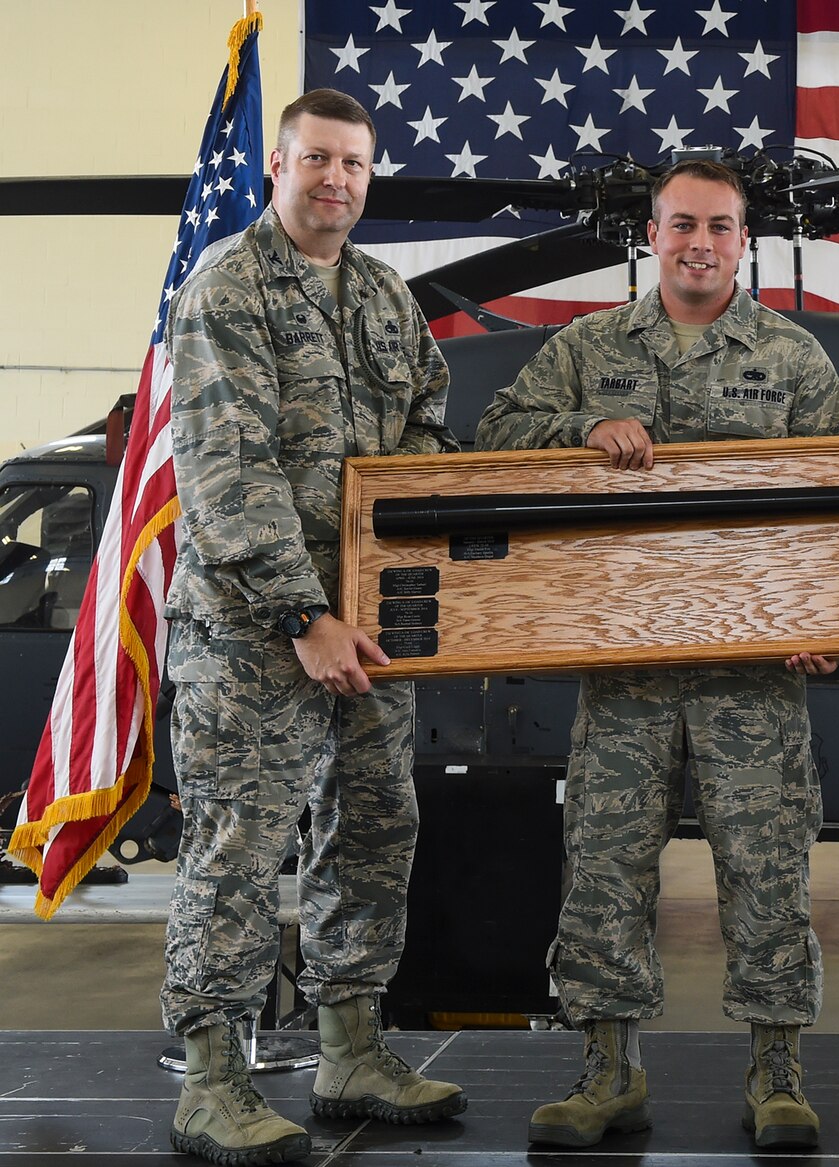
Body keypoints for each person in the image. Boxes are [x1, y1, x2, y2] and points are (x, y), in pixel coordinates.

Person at [476, 159, 839, 1152]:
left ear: (743, 241)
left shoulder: (794, 357)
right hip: (627, 674)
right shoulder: (589, 347)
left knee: (768, 874)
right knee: (604, 869)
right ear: (651, 233)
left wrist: (824, 623)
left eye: (719, 227)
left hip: (753, 679)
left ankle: (777, 1073)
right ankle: (607, 1070)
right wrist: (581, 425)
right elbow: (498, 432)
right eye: (681, 223)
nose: (699, 243)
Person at [161, 88, 462, 1166]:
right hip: (256, 640)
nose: (338, 180)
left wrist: (391, 589)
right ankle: (211, 1081)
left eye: (356, 165)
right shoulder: (225, 288)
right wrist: (304, 614)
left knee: (374, 834)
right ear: (277, 166)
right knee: (238, 852)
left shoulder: (385, 296)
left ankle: (349, 1048)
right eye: (319, 160)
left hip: (373, 632)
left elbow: (426, 424)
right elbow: (224, 475)